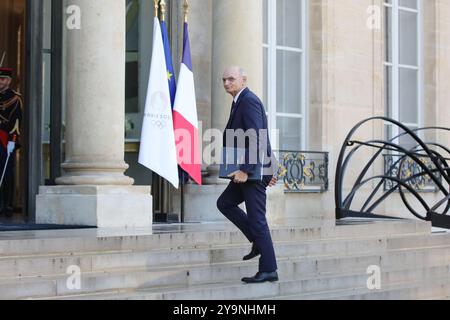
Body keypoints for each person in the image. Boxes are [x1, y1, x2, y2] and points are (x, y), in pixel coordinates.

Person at [217, 66, 279, 284]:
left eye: (231, 79)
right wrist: (271, 167)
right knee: (225, 203)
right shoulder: (239, 101)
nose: (226, 83)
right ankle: (256, 240)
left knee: (258, 220)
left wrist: (246, 169)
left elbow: (257, 137)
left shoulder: (248, 100)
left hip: (250, 172)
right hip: (250, 171)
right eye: (223, 79)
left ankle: (269, 269)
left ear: (243, 79)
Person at [0, 68, 22, 217]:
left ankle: (6, 205)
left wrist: (12, 141)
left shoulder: (14, 98)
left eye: (3, 79)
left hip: (5, 139)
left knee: (6, 173)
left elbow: (16, 122)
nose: (0, 82)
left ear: (9, 81)